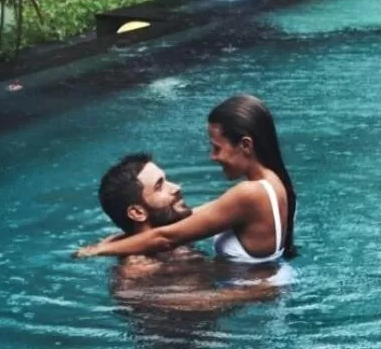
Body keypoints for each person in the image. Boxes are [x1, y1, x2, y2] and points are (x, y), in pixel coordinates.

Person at [76, 95, 296, 264]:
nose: (213, 156)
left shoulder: (250, 194)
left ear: (246, 145)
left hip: (255, 316)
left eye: (217, 147)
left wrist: (98, 251)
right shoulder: (273, 184)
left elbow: (166, 238)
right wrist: (123, 237)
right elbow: (190, 219)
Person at [92, 150, 280, 312]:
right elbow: (179, 304)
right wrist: (255, 292)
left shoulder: (176, 236)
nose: (176, 187)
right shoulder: (137, 268)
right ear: (137, 212)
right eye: (160, 186)